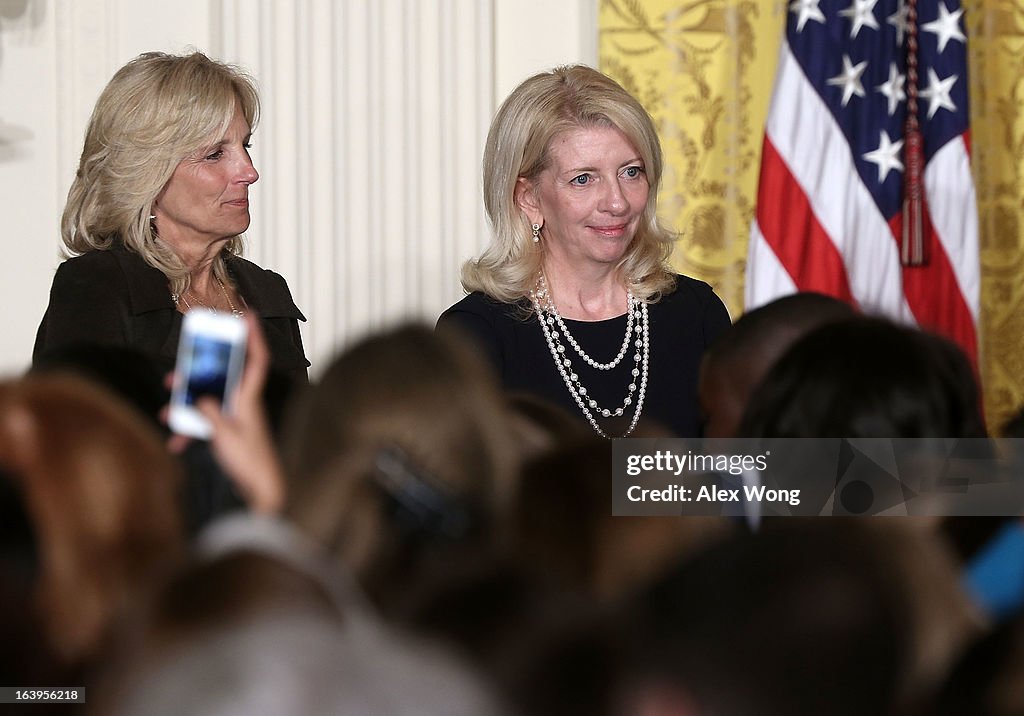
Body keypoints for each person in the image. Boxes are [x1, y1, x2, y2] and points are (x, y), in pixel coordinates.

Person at [437, 65, 731, 438]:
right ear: (528, 198)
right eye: (583, 179)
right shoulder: (474, 335)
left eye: (631, 172)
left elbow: (744, 480)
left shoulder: (696, 313)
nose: (617, 202)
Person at [33, 50, 308, 416]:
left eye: (245, 146)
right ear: (146, 172)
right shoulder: (102, 286)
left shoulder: (266, 293)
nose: (248, 171)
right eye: (214, 154)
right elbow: (78, 448)